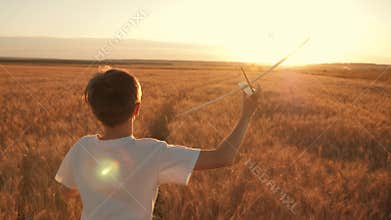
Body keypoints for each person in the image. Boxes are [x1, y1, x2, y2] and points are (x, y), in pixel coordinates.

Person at [55, 68, 259, 220]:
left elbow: (66, 192)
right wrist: (246, 115)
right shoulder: (153, 152)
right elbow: (223, 156)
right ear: (137, 109)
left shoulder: (82, 147)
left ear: (93, 110)